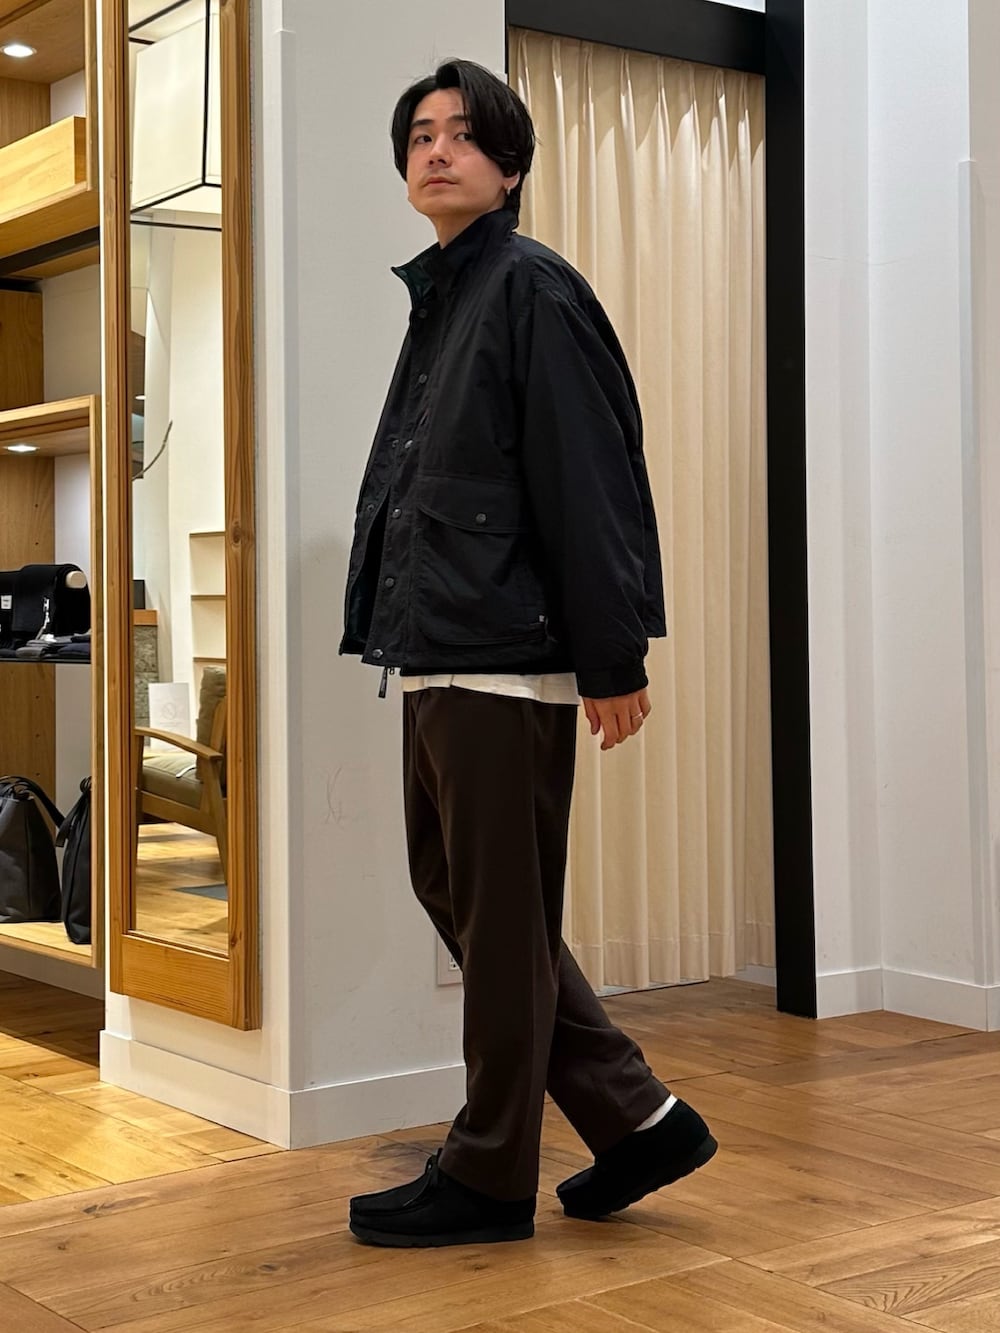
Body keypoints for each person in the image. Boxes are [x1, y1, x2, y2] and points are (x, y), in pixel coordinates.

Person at [340, 58, 715, 1250]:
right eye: (419, 136)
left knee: (497, 921)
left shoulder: (531, 288)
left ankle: (489, 1170)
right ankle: (636, 1117)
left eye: (462, 134)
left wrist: (614, 655)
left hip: (503, 653)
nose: (436, 151)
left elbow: (589, 476)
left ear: (509, 166)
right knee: (458, 895)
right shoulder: (448, 297)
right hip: (440, 645)